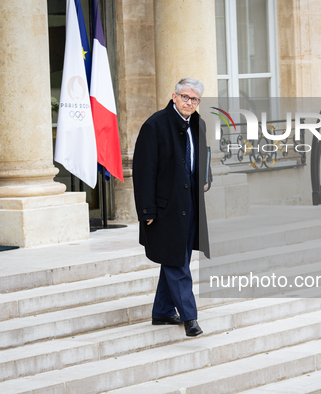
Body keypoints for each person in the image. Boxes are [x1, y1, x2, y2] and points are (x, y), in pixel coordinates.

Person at [132, 78, 211, 337]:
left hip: (190, 206)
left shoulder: (198, 124)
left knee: (177, 257)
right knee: (177, 263)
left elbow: (202, 156)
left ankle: (163, 311)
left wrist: (206, 177)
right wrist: (147, 212)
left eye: (194, 99)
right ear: (174, 96)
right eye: (185, 97)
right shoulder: (154, 125)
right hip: (164, 211)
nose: (189, 102)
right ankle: (190, 318)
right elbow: (143, 172)